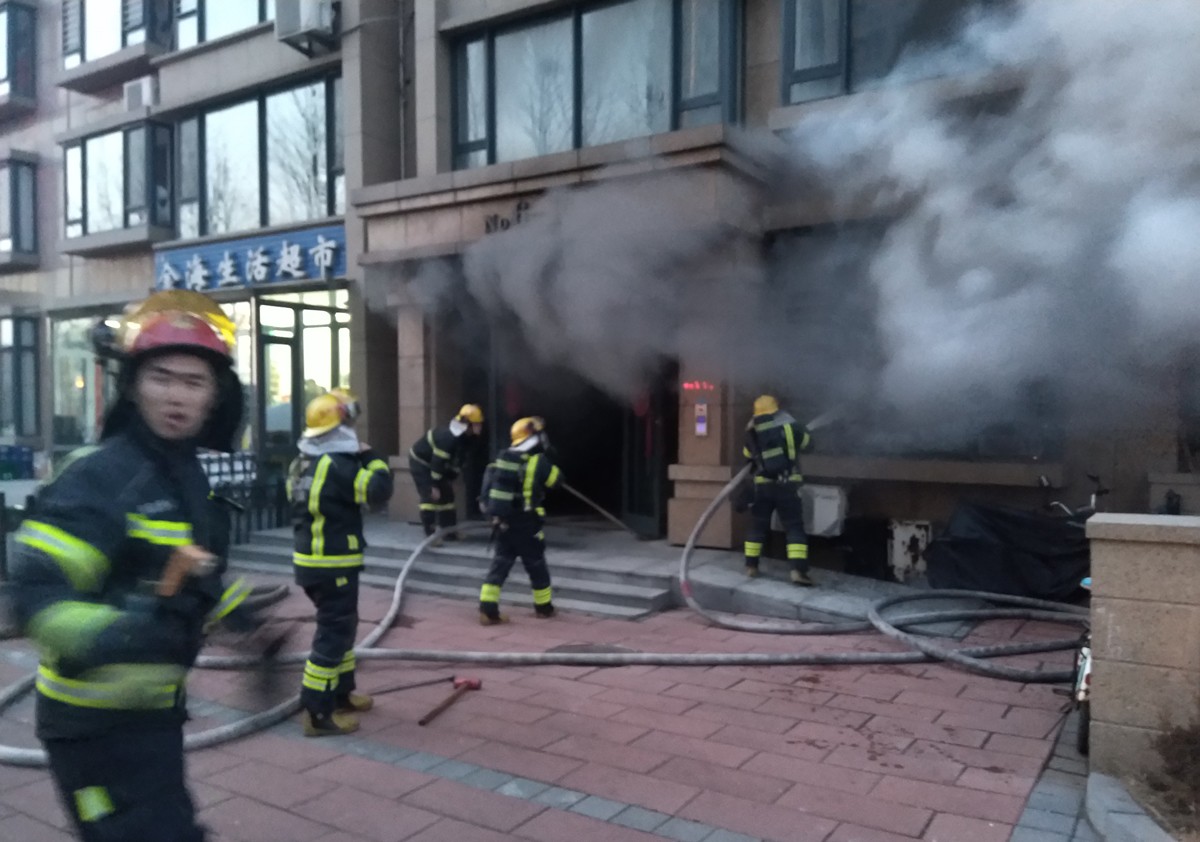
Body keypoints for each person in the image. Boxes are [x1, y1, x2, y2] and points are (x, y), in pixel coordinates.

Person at [6, 290, 259, 842]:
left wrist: (239, 617)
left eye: (193, 382)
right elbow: (36, 595)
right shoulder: (98, 476)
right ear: (133, 386)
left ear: (215, 397)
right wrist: (122, 633)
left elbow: (189, 567)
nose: (176, 395)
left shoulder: (189, 476)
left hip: (154, 715)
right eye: (160, 377)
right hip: (91, 728)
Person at [288, 388, 393, 736]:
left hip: (312, 563)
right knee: (333, 634)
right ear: (338, 428)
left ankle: (342, 693)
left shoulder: (302, 462)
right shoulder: (337, 465)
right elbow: (378, 491)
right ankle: (317, 712)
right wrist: (373, 456)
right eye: (349, 423)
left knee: (344, 626)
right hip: (333, 565)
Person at [477, 417, 562, 625]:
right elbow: (557, 481)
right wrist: (550, 457)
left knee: (500, 564)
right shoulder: (537, 461)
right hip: (527, 524)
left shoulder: (500, 461)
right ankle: (544, 608)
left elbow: (487, 493)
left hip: (503, 522)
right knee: (536, 565)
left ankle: (488, 610)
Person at [742, 394, 815, 586]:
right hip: (787, 484)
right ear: (776, 410)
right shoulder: (791, 426)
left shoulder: (752, 431)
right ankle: (798, 571)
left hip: (763, 487)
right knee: (793, 527)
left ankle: (751, 566)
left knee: (757, 526)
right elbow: (809, 445)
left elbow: (747, 455)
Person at [407, 404, 485, 539]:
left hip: (437, 466)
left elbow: (458, 461)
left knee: (447, 498)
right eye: (477, 424)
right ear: (468, 424)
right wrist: (434, 485)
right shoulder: (448, 438)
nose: (480, 427)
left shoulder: (466, 438)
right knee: (430, 496)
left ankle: (449, 533)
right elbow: (437, 463)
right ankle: (431, 535)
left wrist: (450, 479)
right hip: (421, 463)